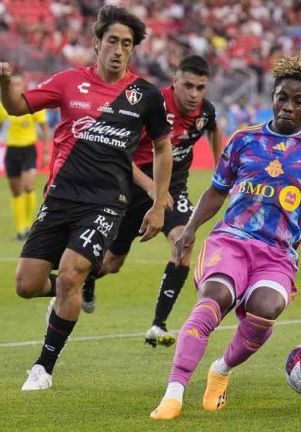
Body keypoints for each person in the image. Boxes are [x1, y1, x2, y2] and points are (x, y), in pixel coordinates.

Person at [149, 52, 301, 420]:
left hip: (277, 254)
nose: (288, 107)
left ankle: (221, 371)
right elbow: (217, 189)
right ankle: (174, 393)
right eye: (282, 97)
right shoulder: (243, 140)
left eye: (298, 101)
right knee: (214, 298)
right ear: (273, 97)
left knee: (265, 310)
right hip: (231, 240)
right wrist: (190, 228)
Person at [0, 5, 173, 391]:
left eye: (127, 44)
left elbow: (161, 148)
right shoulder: (69, 82)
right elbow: (18, 107)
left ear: (133, 50)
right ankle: (60, 291)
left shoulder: (146, 95)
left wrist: (158, 203)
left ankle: (43, 367)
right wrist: (6, 84)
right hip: (60, 197)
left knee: (72, 275)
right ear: (96, 43)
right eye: (112, 41)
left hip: (107, 202)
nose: (119, 50)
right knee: (26, 284)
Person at [80, 54, 223, 348]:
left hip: (174, 189)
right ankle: (87, 278)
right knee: (113, 262)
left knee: (184, 242)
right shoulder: (150, 105)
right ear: (175, 81)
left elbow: (214, 127)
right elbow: (120, 153)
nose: (194, 94)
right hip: (132, 188)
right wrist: (153, 189)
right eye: (188, 86)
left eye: (200, 87)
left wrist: (222, 169)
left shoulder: (205, 112)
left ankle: (158, 325)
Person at [0, 74, 52, 240]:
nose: (16, 86)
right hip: (12, 151)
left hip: (29, 150)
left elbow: (45, 128)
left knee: (29, 186)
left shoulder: (31, 102)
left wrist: (46, 151)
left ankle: (29, 224)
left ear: (23, 85)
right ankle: (20, 229)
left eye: (18, 83)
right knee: (16, 192)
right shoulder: (2, 105)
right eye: (13, 83)